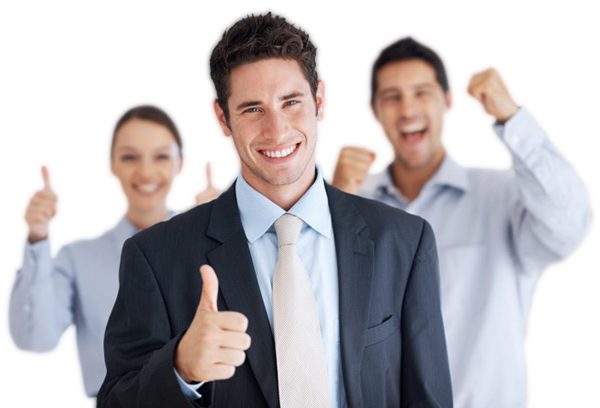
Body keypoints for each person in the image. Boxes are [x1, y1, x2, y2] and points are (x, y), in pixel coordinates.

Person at [98, 14, 453, 407]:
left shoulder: (403, 241)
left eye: (291, 102)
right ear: (223, 118)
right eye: (253, 109)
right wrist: (180, 369)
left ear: (319, 100)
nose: (277, 130)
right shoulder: (157, 257)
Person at [332, 37, 592, 408]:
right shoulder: (352, 202)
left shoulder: (501, 197)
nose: (407, 109)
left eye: (422, 93)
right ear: (375, 109)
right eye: (392, 97)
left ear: (447, 100)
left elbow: (571, 223)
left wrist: (513, 118)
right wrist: (338, 205)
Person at [9, 105, 217, 397]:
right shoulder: (79, 258)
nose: (146, 171)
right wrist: (37, 238)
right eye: (130, 157)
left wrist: (220, 234)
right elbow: (35, 337)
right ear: (113, 164)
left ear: (179, 163)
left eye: (161, 156)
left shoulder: (204, 242)